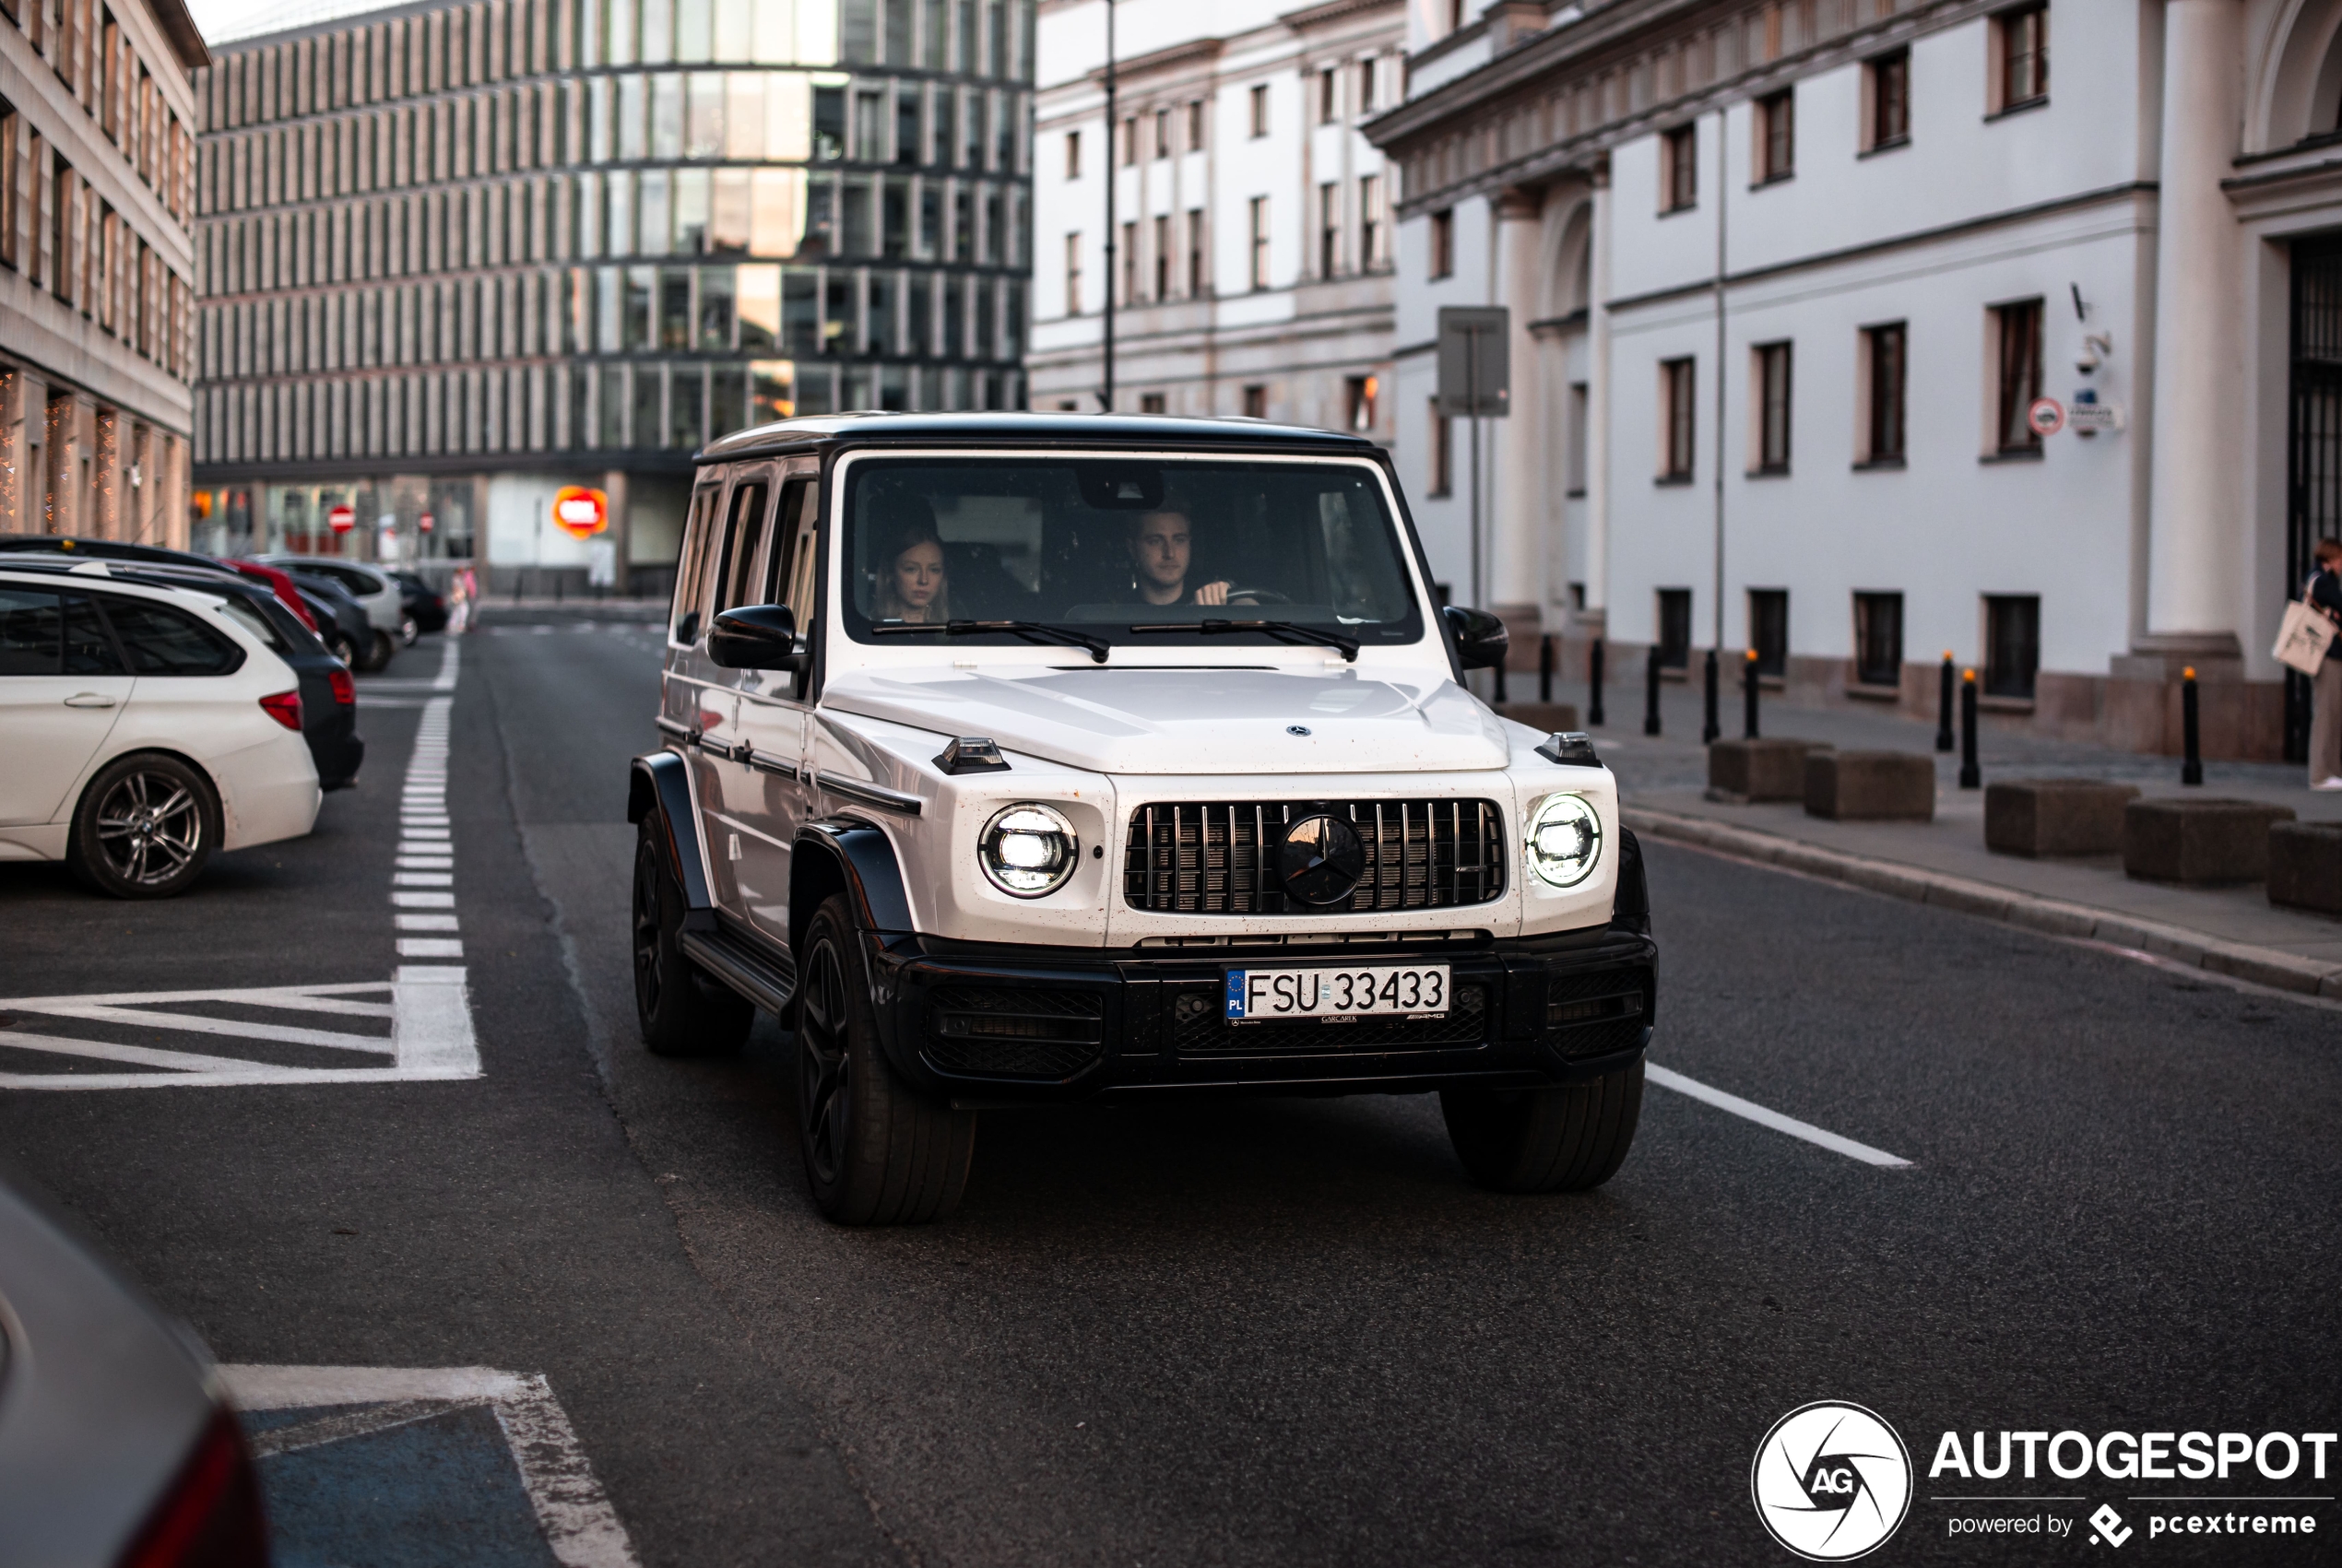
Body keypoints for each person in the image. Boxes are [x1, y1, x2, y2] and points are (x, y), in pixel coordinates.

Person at [1127, 505, 1236, 607]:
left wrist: (1229, 595)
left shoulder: (1210, 599)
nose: (1170, 553)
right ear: (1133, 549)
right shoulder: (1119, 611)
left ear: (1190, 545)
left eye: (1179, 540)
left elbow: (1248, 607)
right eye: (1155, 541)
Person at [873, 514, 950, 624]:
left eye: (934, 570)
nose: (924, 580)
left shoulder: (959, 633)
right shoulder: (865, 630)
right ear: (891, 572)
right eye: (911, 569)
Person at [2309, 536, 2342, 790]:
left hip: (2331, 654)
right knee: (2326, 714)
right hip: (2327, 654)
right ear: (2330, 559)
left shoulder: (2322, 580)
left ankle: (2331, 771)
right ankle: (2320, 773)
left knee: (2333, 713)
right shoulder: (2323, 581)